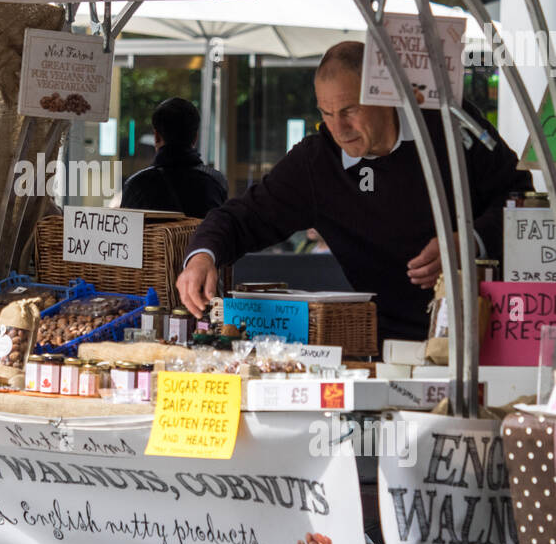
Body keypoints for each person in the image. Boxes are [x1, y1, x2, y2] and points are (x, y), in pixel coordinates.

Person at [176, 41, 531, 342]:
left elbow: (523, 201)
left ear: (386, 95)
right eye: (326, 113)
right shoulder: (317, 162)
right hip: (389, 342)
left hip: (491, 329)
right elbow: (242, 217)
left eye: (350, 110)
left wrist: (469, 241)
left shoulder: (449, 125)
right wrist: (202, 257)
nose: (339, 128)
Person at [121, 97, 228, 217]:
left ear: (156, 136)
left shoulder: (137, 185)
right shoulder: (216, 182)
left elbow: (125, 233)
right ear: (195, 138)